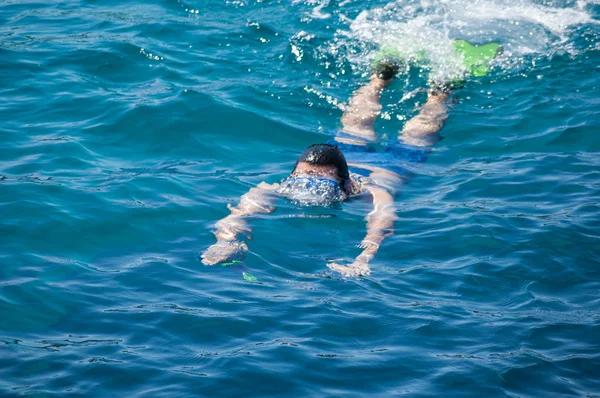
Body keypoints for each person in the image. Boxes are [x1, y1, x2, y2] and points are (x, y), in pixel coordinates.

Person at [201, 60, 451, 276]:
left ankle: (440, 93)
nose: (308, 185)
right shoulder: (275, 188)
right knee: (355, 125)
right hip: (347, 151)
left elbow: (381, 226)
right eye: (303, 177)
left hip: (394, 164)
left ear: (346, 184)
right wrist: (225, 241)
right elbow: (237, 216)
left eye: (319, 181)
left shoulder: (372, 195)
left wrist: (361, 260)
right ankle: (379, 79)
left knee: (418, 134)